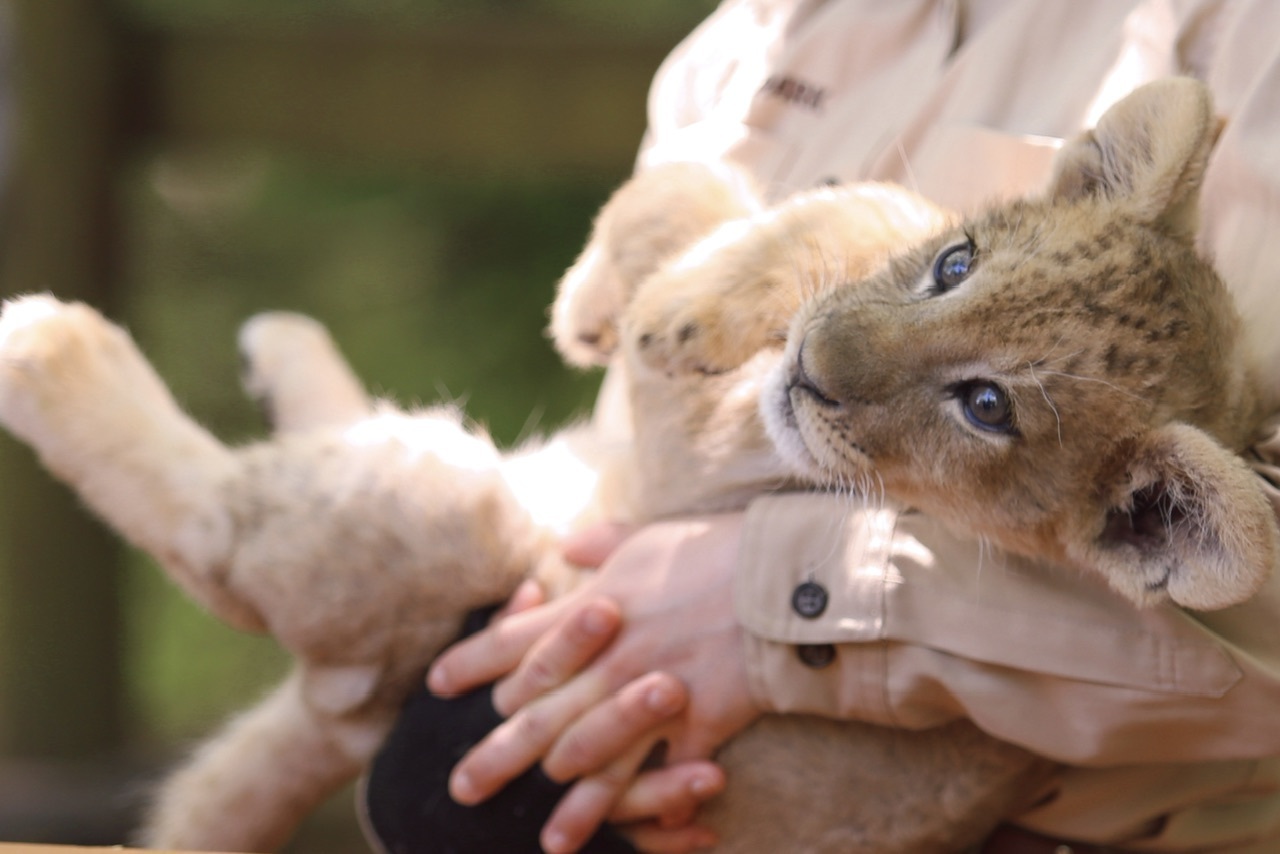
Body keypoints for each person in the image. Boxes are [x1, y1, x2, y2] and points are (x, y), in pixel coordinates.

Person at [383, 1, 1280, 851]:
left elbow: (1255, 579)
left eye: (987, 402)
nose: (833, 348)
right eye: (953, 265)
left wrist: (775, 596)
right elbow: (650, 369)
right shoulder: (771, 26)